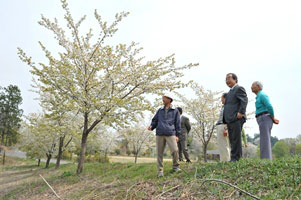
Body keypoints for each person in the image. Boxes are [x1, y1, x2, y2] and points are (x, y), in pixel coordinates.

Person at [148, 94, 181, 177]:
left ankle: (175, 166)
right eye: (162, 98)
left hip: (171, 133)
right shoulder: (160, 110)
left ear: (169, 99)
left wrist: (177, 135)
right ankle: (160, 171)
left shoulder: (175, 111)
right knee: (159, 153)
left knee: (175, 150)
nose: (163, 99)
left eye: (164, 98)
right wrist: (152, 126)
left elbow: (178, 124)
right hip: (160, 133)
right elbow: (155, 120)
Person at [223, 73, 248, 162]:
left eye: (229, 78)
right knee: (232, 139)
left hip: (236, 118)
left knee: (236, 138)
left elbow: (244, 100)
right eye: (226, 79)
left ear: (235, 80)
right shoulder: (229, 92)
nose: (227, 80)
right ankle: (233, 157)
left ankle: (236, 158)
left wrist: (241, 112)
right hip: (230, 119)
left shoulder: (239, 88)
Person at [251, 81, 279, 160]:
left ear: (258, 87)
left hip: (265, 117)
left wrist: (273, 117)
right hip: (262, 118)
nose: (251, 87)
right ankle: (266, 159)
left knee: (264, 139)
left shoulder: (262, 95)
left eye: (253, 85)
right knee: (264, 139)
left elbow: (269, 106)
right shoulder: (258, 96)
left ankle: (266, 160)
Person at [216, 93, 231, 162]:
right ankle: (222, 160)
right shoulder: (224, 106)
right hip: (220, 125)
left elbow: (228, 118)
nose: (221, 100)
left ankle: (226, 161)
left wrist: (226, 129)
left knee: (224, 145)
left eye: (222, 98)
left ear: (225, 98)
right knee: (221, 145)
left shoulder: (228, 107)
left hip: (223, 126)